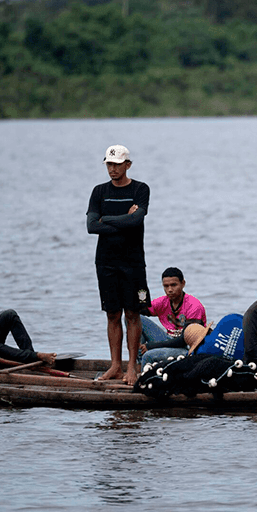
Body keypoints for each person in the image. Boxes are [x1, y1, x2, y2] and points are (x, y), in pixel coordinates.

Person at [87, 144, 150, 384]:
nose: (112, 169)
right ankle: (115, 366)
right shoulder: (99, 192)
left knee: (134, 313)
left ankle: (132, 367)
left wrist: (109, 220)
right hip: (106, 263)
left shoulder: (140, 189)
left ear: (128, 165)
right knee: (112, 313)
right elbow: (92, 226)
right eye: (109, 164)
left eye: (117, 164)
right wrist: (125, 218)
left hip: (134, 263)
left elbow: (137, 221)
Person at [139, 267, 208, 368]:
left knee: (148, 355)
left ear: (183, 284)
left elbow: (183, 341)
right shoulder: (163, 301)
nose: (169, 290)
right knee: (135, 318)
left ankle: (143, 377)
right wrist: (141, 290)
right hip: (169, 341)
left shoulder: (194, 306)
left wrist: (151, 346)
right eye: (166, 286)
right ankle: (137, 364)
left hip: (187, 349)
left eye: (174, 285)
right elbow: (139, 309)